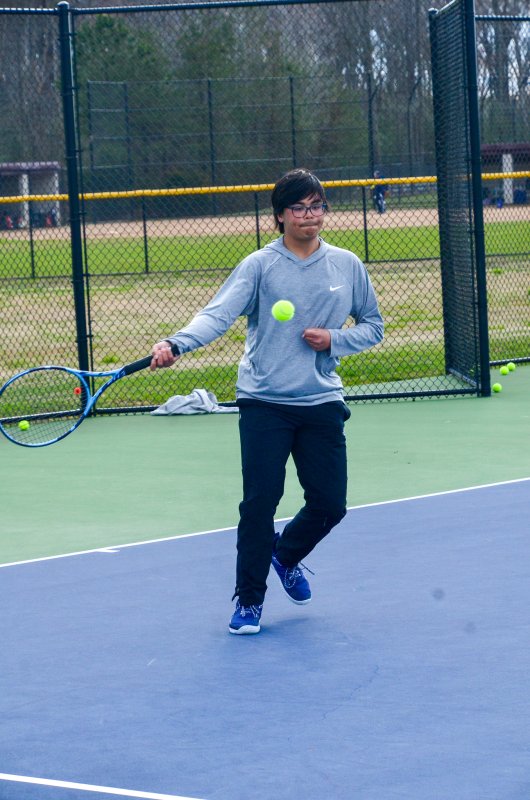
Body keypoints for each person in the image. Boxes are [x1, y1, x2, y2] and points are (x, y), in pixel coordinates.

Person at [150, 168, 384, 635]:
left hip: (319, 401)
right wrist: (176, 344)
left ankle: (286, 554)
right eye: (298, 208)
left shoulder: (347, 265)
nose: (309, 216)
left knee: (329, 504)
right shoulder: (260, 265)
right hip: (264, 402)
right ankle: (249, 601)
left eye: (317, 206)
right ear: (279, 215)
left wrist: (334, 339)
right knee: (259, 504)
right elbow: (217, 315)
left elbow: (373, 326)